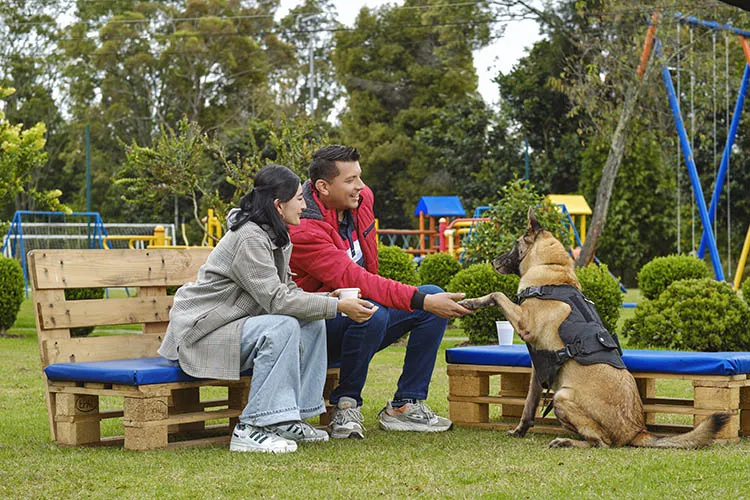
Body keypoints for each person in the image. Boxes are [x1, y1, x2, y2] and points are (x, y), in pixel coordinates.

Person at [158, 164, 377, 454]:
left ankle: (288, 418)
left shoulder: (277, 235)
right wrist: (337, 305)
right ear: (278, 204)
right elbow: (277, 301)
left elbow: (286, 290)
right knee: (283, 325)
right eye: (299, 198)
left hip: (233, 326)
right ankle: (252, 428)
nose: (305, 205)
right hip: (202, 332)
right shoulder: (250, 237)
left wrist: (328, 296)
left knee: (311, 321)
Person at [288, 145, 471, 439]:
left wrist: (425, 300)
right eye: (350, 180)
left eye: (359, 177)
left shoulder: (361, 200)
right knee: (374, 312)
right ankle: (345, 406)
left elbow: (369, 267)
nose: (360, 186)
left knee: (429, 298)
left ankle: (405, 405)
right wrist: (419, 299)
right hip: (313, 330)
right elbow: (355, 277)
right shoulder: (304, 229)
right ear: (322, 187)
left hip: (358, 314)